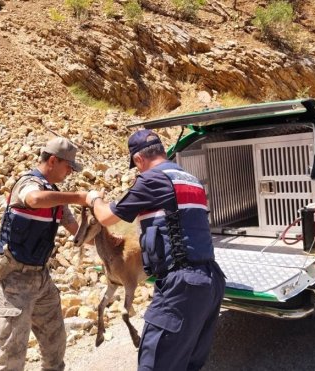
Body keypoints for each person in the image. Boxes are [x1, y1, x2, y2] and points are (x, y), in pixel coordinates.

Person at [86, 129, 226, 371]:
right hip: (211, 281)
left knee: (155, 364)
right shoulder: (189, 178)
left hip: (182, 285)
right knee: (187, 362)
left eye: (136, 166)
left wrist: (92, 199)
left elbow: (106, 217)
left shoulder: (152, 179)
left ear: (139, 160)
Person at [0, 137, 88, 371]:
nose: (70, 173)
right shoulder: (29, 183)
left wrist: (97, 222)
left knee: (55, 345)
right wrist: (77, 196)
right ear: (53, 161)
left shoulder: (54, 195)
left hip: (41, 278)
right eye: (68, 167)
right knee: (12, 355)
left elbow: (78, 232)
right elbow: (34, 199)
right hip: (15, 279)